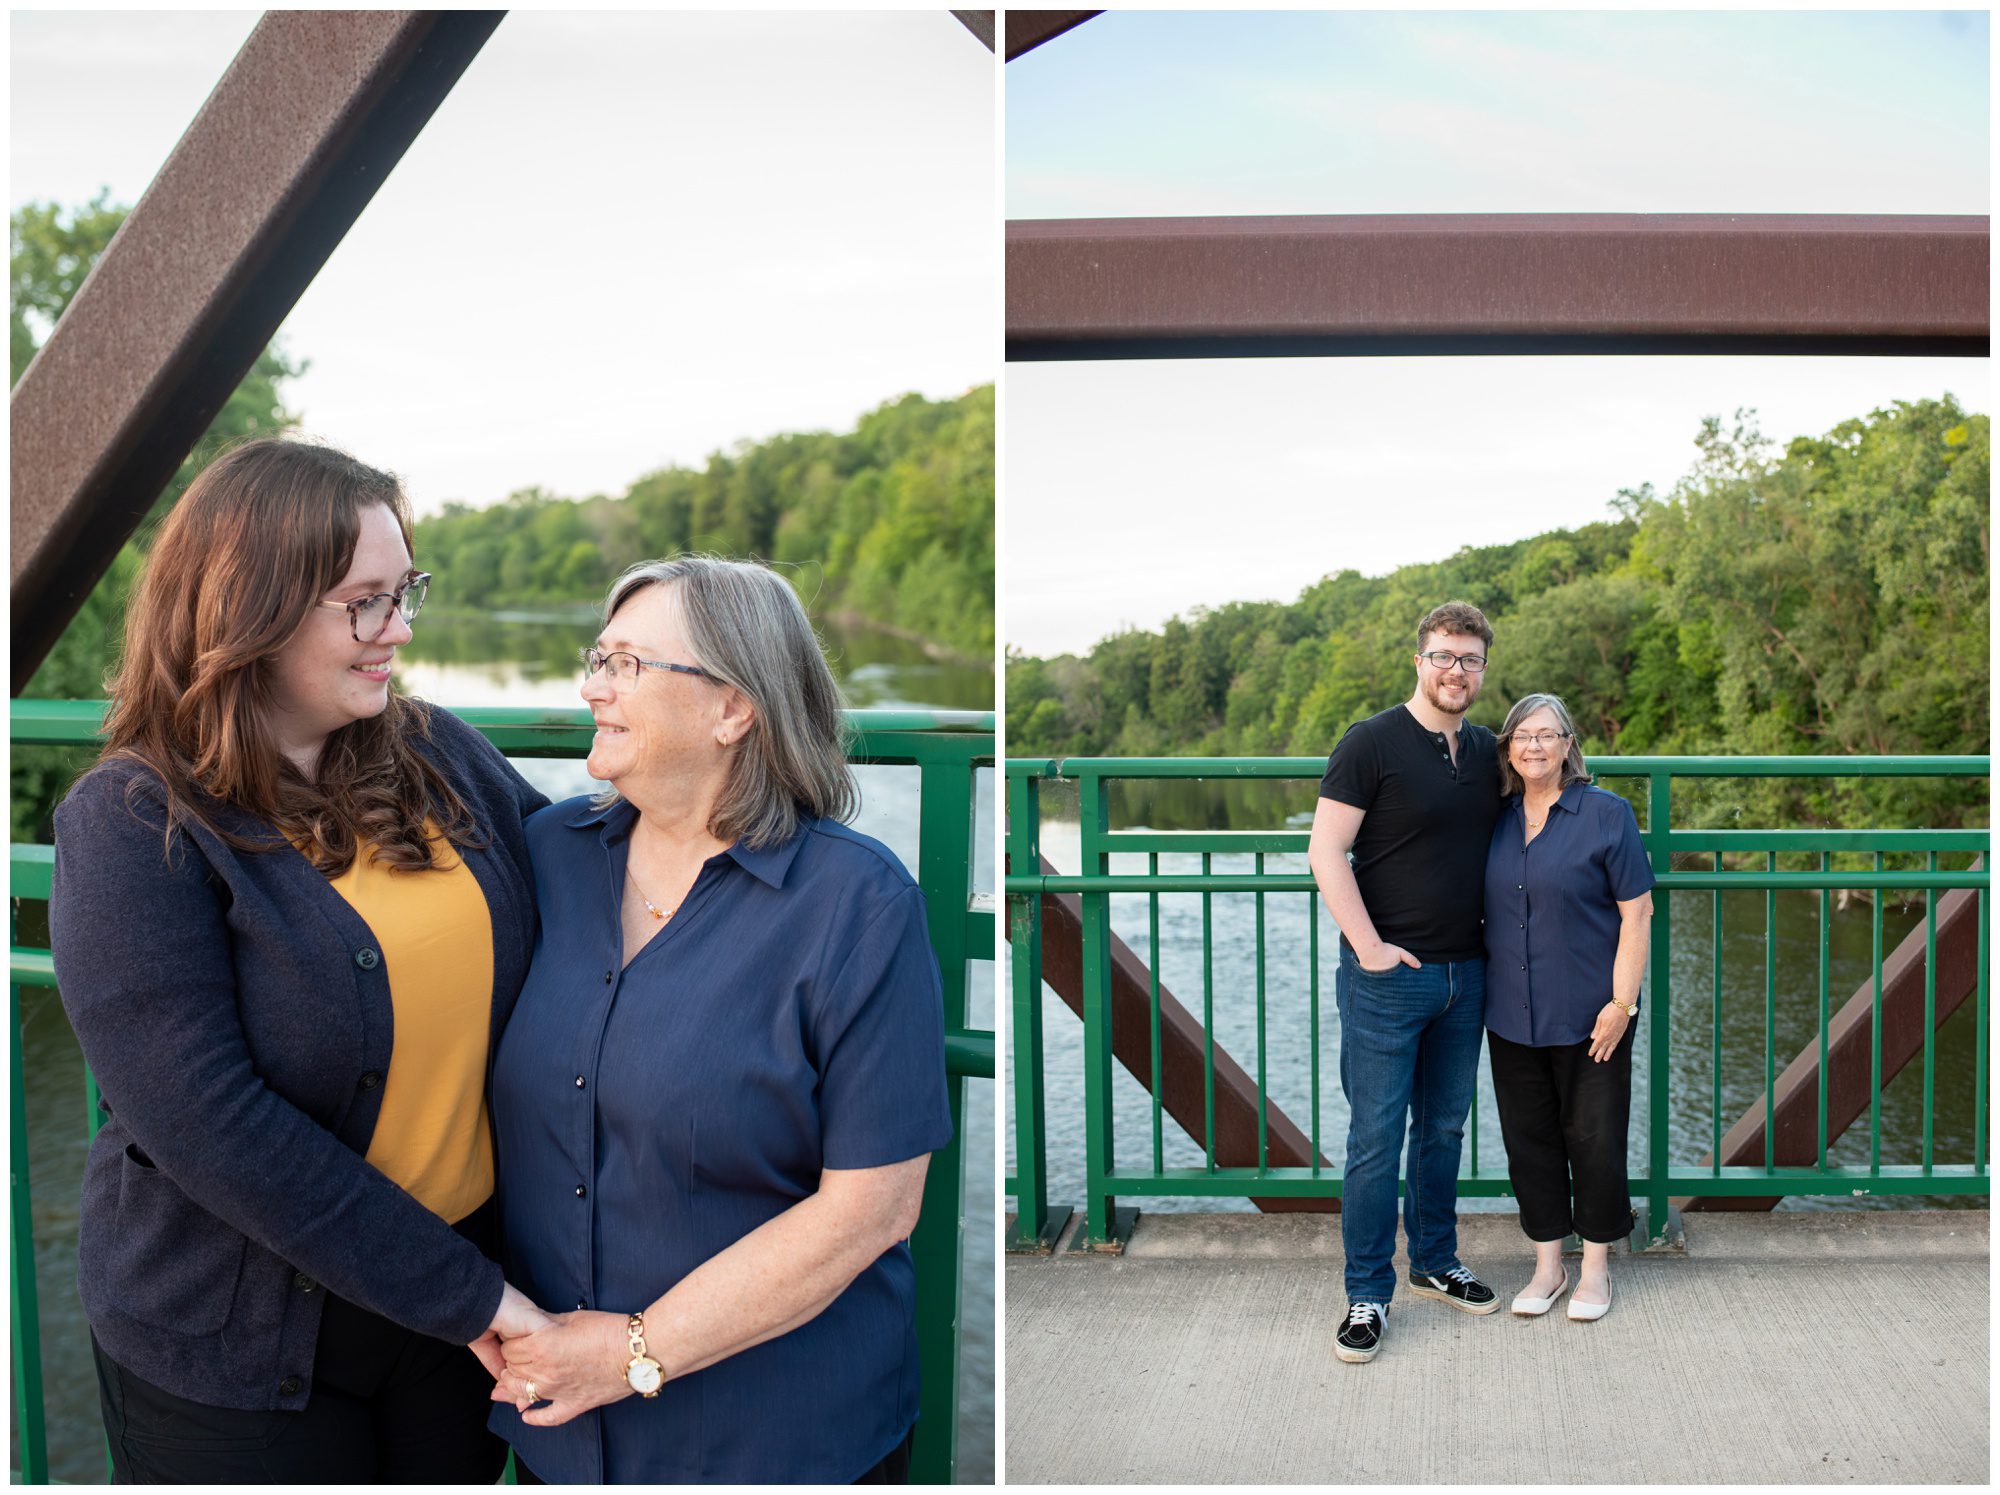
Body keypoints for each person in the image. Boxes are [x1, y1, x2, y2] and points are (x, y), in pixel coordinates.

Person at [48, 438, 554, 1483]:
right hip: (238, 1346)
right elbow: (214, 1127)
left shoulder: (434, 751)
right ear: (252, 608)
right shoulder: (134, 821)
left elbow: (595, 885)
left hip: (448, 1322)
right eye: (364, 601)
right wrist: (467, 1293)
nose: (399, 630)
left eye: (404, 589)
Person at [483, 556, 953, 1484]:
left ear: (732, 708)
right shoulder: (548, 857)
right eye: (597, 658)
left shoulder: (856, 904)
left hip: (778, 1439)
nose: (592, 687)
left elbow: (875, 1209)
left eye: (627, 665)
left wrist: (628, 1352)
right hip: (557, 1431)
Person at [1306, 601, 1504, 1363]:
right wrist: (1371, 949)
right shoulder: (1371, 742)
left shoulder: (1488, 750)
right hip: (1387, 980)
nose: (1457, 671)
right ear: (1419, 659)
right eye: (1445, 656)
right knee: (1374, 1139)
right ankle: (1366, 1291)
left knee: (1446, 1130)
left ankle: (1434, 1260)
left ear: (1484, 668)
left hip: (1468, 975)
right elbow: (1327, 853)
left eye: (1471, 659)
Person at [1483, 692, 1653, 1321]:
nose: (1534, 746)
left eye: (1547, 735)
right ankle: (1548, 1267)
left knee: (1595, 1139)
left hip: (1592, 1015)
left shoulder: (1606, 813)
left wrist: (1621, 1004)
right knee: (1529, 1141)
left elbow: (1637, 913)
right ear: (1507, 748)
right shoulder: (1494, 818)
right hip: (1511, 1013)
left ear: (1567, 746)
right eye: (1522, 736)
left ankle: (1598, 1269)